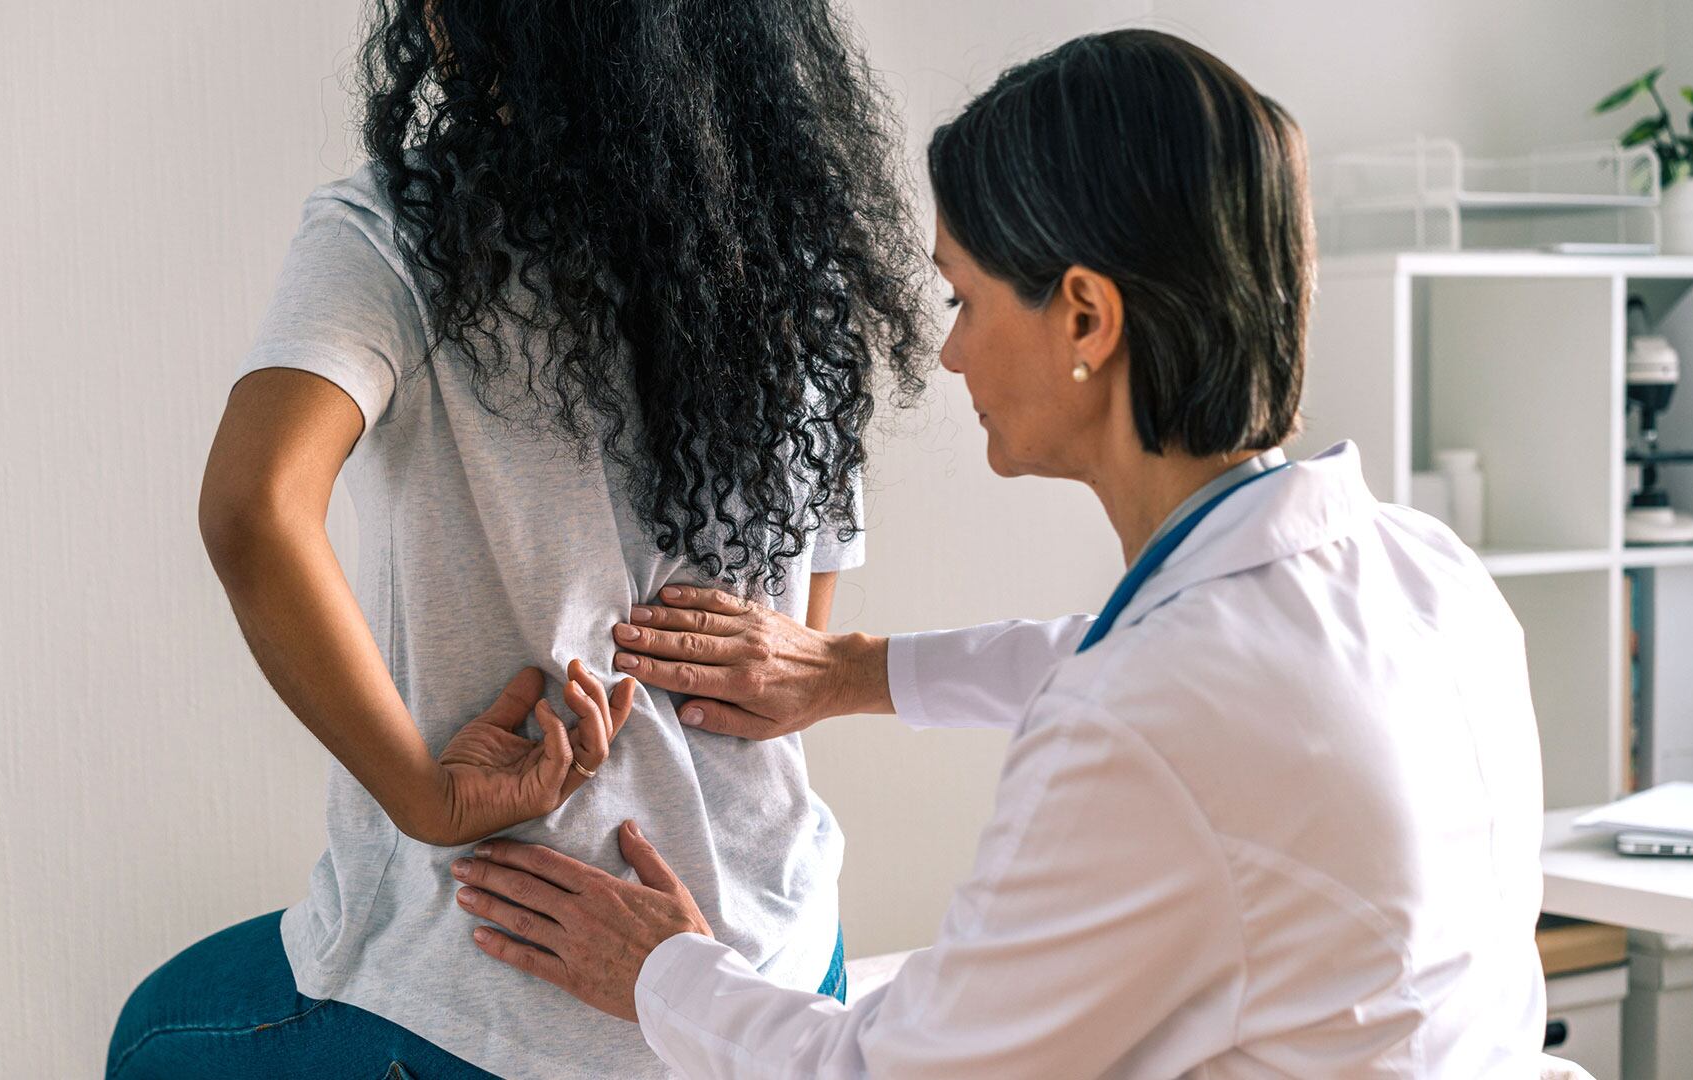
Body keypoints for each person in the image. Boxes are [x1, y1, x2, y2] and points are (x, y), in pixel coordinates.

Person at [448, 29, 1550, 1078]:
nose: (949, 352)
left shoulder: (1147, 720)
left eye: (964, 298)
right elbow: (1135, 662)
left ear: (1085, 320)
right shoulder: (1424, 573)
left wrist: (659, 971)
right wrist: (854, 672)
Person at [106, 3, 931, 1078]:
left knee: (153, 1037)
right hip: (779, 971)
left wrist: (427, 797)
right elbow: (797, 636)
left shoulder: (402, 233)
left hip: (499, 999)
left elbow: (254, 508)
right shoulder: (792, 242)